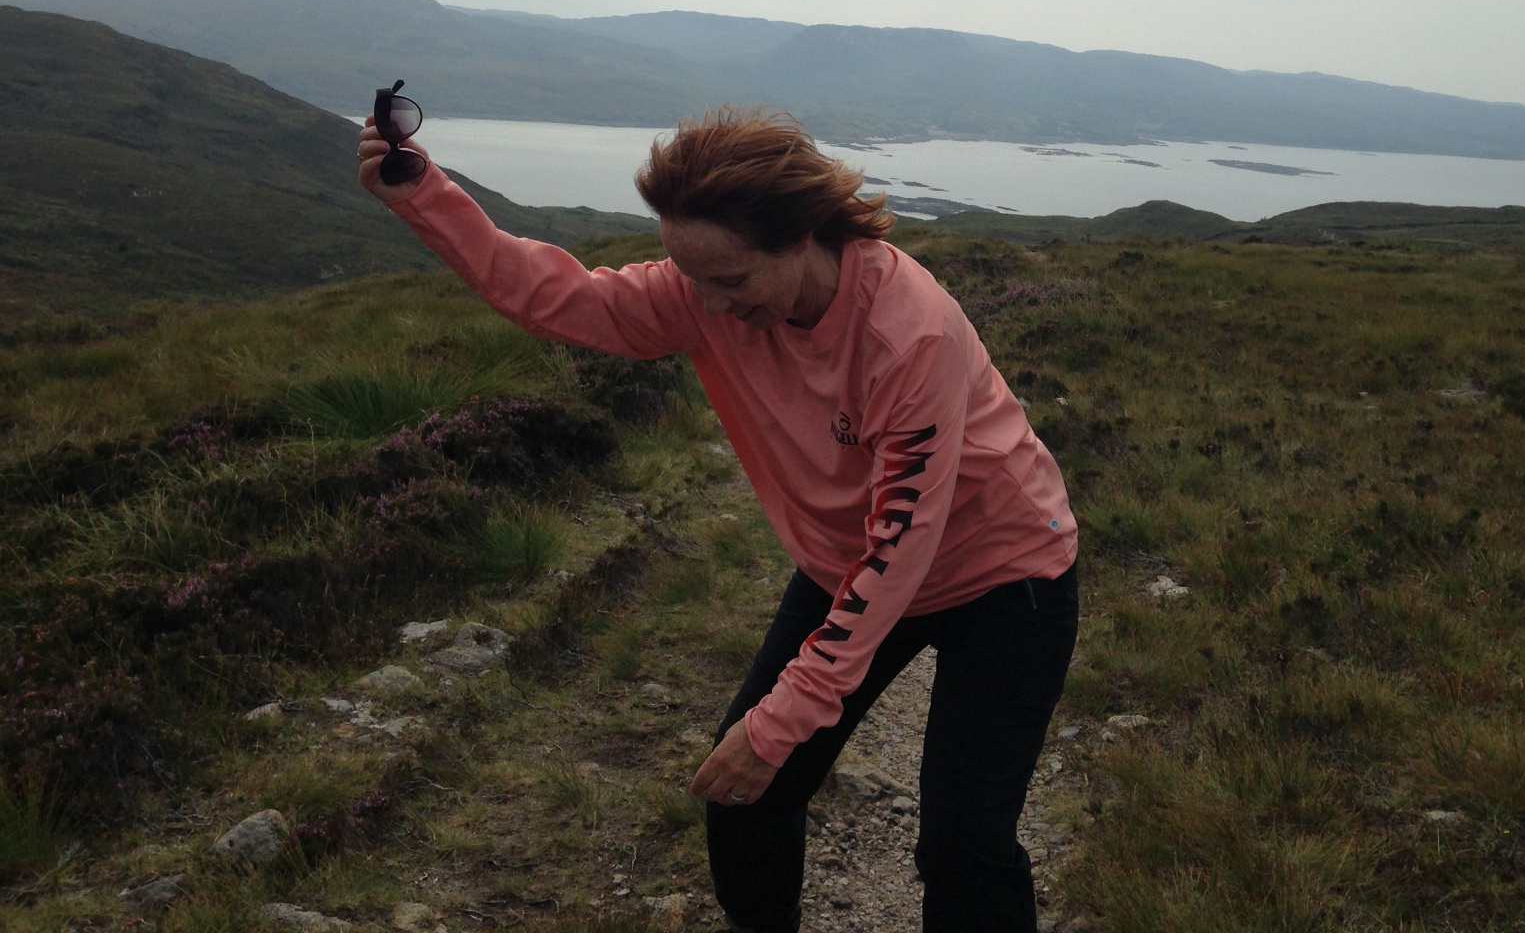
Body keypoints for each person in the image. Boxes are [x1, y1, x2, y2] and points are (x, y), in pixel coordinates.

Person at [358, 104, 1079, 933]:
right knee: (745, 795)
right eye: (692, 277)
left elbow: (900, 546)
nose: (710, 305)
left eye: (732, 281)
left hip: (1004, 578)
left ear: (800, 235)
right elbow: (553, 295)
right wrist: (422, 195)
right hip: (846, 565)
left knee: (963, 843)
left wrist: (785, 718)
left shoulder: (909, 335)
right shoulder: (701, 295)